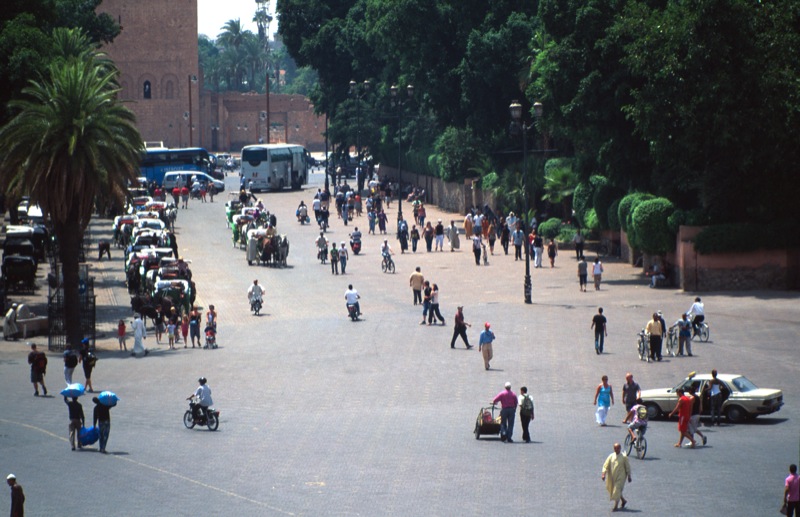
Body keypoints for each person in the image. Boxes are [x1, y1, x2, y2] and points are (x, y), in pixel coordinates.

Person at [601, 443, 631, 511]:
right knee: (616, 490)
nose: (616, 449)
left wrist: (629, 476)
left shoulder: (624, 457)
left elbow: (627, 466)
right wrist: (603, 474)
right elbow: (605, 465)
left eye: (617, 448)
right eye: (615, 448)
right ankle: (623, 500)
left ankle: (616, 506)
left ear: (620, 448)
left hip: (621, 476)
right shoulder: (611, 456)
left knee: (617, 489)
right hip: (612, 476)